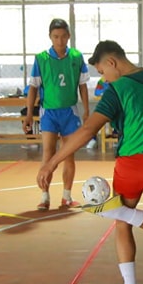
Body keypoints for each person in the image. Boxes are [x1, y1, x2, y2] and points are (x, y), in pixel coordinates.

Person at [36, 40, 143, 284]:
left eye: (103, 72)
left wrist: (52, 162)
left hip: (129, 166)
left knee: (123, 223)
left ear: (111, 62)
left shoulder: (116, 91)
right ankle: (121, 212)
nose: (104, 78)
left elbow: (86, 130)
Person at [23, 18, 90, 210]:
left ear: (69, 36)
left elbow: (83, 85)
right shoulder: (41, 59)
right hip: (49, 113)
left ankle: (66, 196)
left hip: (70, 112)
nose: (59, 41)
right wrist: (29, 114)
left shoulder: (76, 57)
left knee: (69, 155)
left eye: (63, 36)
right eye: (55, 37)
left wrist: (86, 110)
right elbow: (33, 87)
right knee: (48, 153)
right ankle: (44, 196)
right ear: (50, 37)